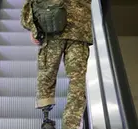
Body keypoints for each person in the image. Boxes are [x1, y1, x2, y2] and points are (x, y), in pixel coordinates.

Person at [21, 0, 92, 129]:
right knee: (77, 80)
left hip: (52, 25)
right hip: (79, 28)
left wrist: (32, 26)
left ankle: (46, 119)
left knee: (47, 74)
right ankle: (71, 124)